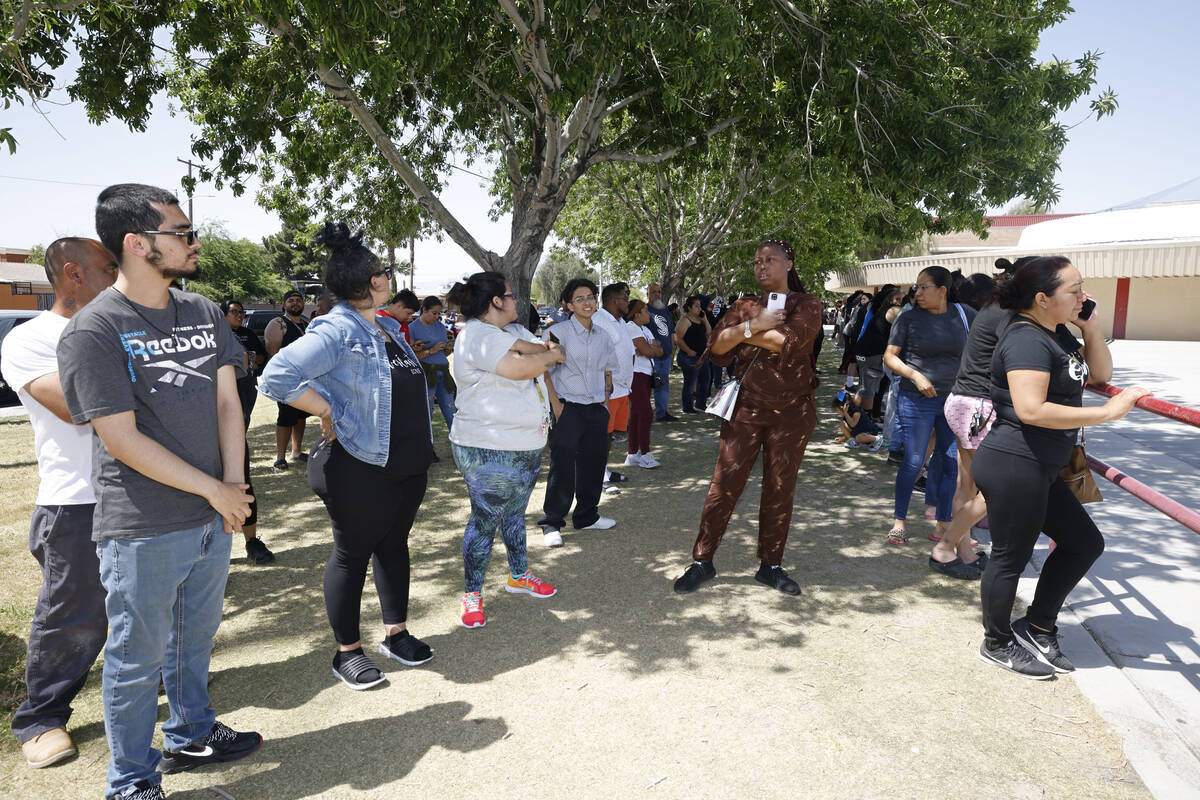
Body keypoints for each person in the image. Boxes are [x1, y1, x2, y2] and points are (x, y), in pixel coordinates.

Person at [57, 183, 261, 799]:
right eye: (182, 232)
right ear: (137, 244)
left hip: (211, 510)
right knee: (136, 659)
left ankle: (191, 730)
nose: (193, 242)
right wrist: (216, 491)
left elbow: (229, 402)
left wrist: (233, 486)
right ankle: (130, 779)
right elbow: (120, 440)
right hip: (142, 524)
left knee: (193, 640)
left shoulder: (200, 309)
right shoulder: (94, 331)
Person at [259, 223, 435, 690]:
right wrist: (325, 408)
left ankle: (395, 633)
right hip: (359, 464)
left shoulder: (386, 327)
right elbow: (277, 375)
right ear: (369, 281)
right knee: (352, 555)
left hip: (405, 461)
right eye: (384, 270)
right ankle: (348, 653)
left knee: (394, 546)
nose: (389, 276)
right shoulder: (338, 328)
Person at [974, 256, 1147, 678]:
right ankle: (996, 642)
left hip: (1041, 465)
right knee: (1010, 559)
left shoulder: (1059, 335)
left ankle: (1036, 624)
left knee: (1085, 543)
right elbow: (1031, 409)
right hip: (1016, 461)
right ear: (1041, 298)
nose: (1083, 296)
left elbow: (1100, 371)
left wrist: (1089, 326)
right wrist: (1106, 414)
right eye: (1074, 290)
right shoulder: (1026, 339)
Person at [1, 237, 116, 770]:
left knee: (150, 600)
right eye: (108, 266)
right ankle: (42, 717)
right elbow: (79, 408)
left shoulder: (121, 328)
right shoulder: (30, 340)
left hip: (140, 493)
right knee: (73, 615)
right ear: (72, 273)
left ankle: (151, 676)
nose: (119, 275)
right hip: (76, 501)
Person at [673, 239, 822, 596]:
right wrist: (753, 324)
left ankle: (770, 566)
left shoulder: (808, 304)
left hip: (792, 413)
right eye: (757, 261)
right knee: (724, 485)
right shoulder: (744, 305)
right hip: (746, 410)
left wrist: (743, 334)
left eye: (770, 260)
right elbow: (717, 348)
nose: (762, 267)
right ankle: (702, 561)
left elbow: (790, 342)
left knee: (779, 488)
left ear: (790, 263)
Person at [446, 272, 565, 627]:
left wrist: (547, 352)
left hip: (526, 441)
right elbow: (524, 367)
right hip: (487, 446)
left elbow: (538, 349)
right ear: (495, 301)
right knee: (485, 520)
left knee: (514, 514)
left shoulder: (510, 332)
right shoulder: (475, 335)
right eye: (511, 295)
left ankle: (518, 575)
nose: (517, 301)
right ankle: (472, 595)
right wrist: (550, 355)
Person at [882, 266, 975, 547]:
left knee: (948, 463)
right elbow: (890, 357)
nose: (917, 292)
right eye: (917, 287)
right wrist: (915, 375)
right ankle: (899, 522)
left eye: (924, 287)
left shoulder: (964, 315)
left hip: (953, 401)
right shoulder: (909, 318)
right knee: (913, 460)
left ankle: (944, 522)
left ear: (942, 290)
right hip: (916, 400)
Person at [536, 278, 619, 546]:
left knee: (593, 464)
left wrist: (605, 403)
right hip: (567, 408)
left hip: (595, 408)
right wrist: (556, 406)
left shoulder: (604, 335)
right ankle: (552, 522)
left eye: (591, 297)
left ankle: (587, 515)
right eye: (580, 299)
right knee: (562, 466)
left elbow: (607, 370)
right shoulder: (557, 332)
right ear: (568, 304)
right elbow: (544, 372)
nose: (587, 302)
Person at [221, 298, 274, 565]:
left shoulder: (243, 336)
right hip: (200, 429)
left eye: (242, 312)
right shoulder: (214, 336)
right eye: (234, 312)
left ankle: (252, 542)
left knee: (242, 480)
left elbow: (257, 357)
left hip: (233, 422)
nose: (239, 316)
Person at [265, 289, 309, 469]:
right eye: (291, 300)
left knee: (301, 415)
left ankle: (296, 451)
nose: (295, 303)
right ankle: (280, 457)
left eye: (299, 300)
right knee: (286, 416)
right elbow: (272, 351)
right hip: (285, 379)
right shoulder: (278, 323)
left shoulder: (306, 324)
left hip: (304, 378)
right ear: (284, 305)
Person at [594, 282, 633, 490]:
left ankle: (604, 470)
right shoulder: (600, 320)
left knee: (609, 434)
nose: (628, 301)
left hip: (622, 388)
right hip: (607, 390)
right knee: (601, 434)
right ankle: (597, 475)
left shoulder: (620, 322)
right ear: (613, 300)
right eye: (625, 297)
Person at [623, 299, 664, 468]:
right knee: (646, 413)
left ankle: (632, 454)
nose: (649, 314)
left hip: (646, 375)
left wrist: (647, 349)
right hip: (635, 375)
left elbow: (659, 351)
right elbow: (649, 350)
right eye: (646, 311)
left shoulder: (645, 329)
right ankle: (645, 455)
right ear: (637, 314)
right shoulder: (631, 327)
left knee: (638, 415)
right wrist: (648, 349)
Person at [409, 295, 457, 435]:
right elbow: (411, 356)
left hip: (443, 373)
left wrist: (448, 348)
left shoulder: (441, 328)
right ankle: (427, 449)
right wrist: (431, 350)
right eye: (434, 313)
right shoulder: (412, 328)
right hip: (426, 375)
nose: (437, 317)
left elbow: (443, 355)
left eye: (439, 313)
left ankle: (459, 446)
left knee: (451, 411)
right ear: (424, 310)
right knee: (427, 413)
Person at [673, 295, 711, 414]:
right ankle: (687, 407)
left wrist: (705, 320)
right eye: (696, 306)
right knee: (690, 382)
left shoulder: (700, 320)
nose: (699, 308)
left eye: (700, 306)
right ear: (689, 308)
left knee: (705, 380)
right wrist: (688, 350)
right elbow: (677, 338)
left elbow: (709, 333)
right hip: (689, 357)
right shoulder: (685, 320)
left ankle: (700, 404)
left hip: (702, 356)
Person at [646, 283, 678, 421]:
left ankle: (662, 413)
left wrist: (672, 351)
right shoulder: (644, 310)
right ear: (648, 294)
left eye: (658, 292)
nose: (657, 294)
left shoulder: (665, 311)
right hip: (649, 358)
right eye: (653, 292)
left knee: (663, 385)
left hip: (666, 357)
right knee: (645, 387)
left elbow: (671, 332)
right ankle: (643, 415)